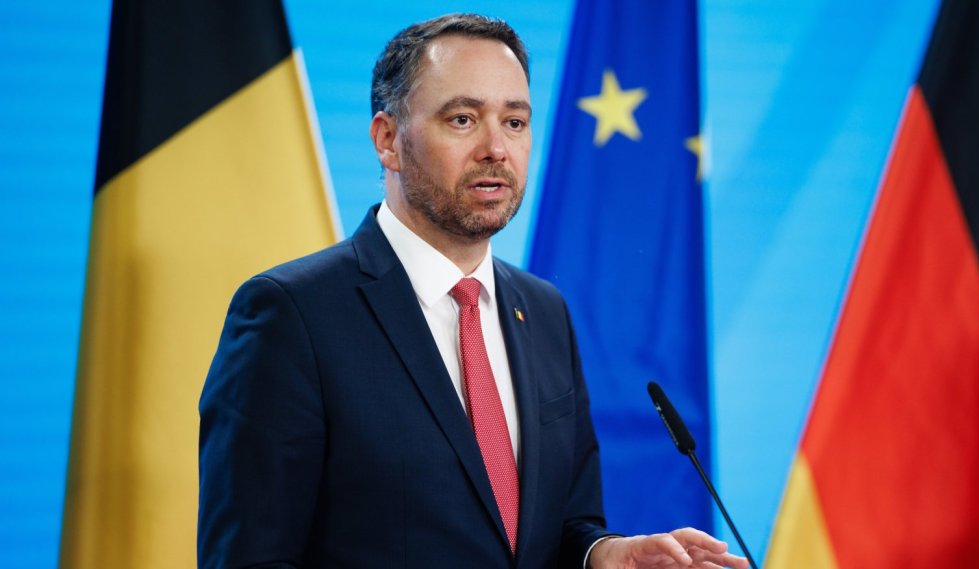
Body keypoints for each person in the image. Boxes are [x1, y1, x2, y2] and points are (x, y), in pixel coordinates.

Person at [198, 13, 748, 569]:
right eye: (463, 119)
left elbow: (563, 524)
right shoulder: (291, 314)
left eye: (514, 121)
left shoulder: (544, 311)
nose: (496, 148)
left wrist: (602, 555)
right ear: (387, 140)